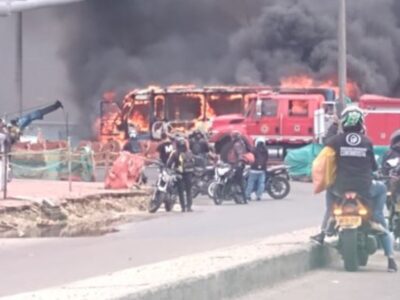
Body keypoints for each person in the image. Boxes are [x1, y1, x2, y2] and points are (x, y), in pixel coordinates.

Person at [311, 106, 397, 272]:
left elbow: (325, 144)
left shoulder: (337, 141)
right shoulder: (367, 141)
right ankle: (391, 259)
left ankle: (323, 232)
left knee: (330, 199)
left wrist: (334, 126)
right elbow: (372, 166)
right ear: (361, 123)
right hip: (364, 188)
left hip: (340, 188)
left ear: (344, 122)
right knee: (380, 197)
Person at [167, 137, 195, 212]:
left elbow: (169, 164)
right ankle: (189, 207)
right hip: (189, 173)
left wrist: (173, 168)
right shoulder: (189, 152)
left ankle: (183, 207)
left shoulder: (175, 153)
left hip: (179, 174)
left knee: (180, 191)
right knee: (189, 190)